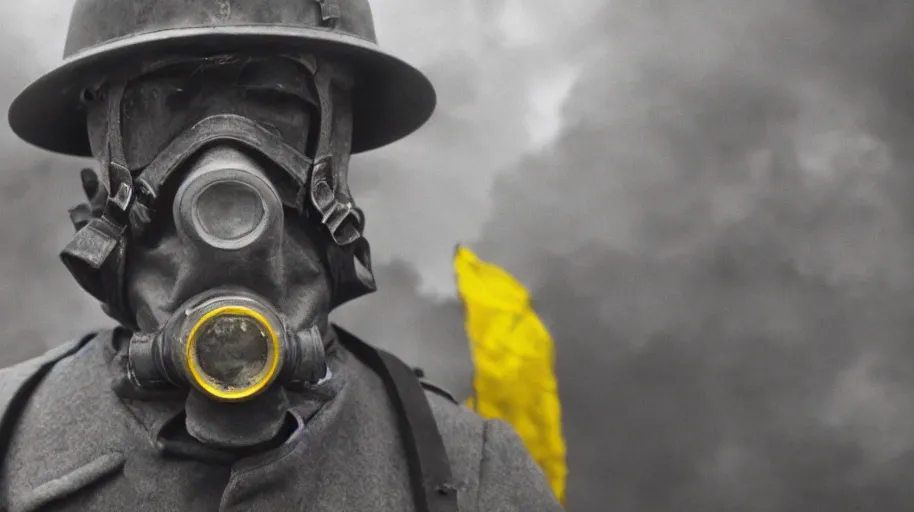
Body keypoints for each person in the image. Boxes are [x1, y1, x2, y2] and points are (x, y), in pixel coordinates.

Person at [0, 1, 564, 510]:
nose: (223, 160)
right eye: (166, 104)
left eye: (275, 102)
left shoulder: (468, 470)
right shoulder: (10, 436)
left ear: (336, 155)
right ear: (104, 154)